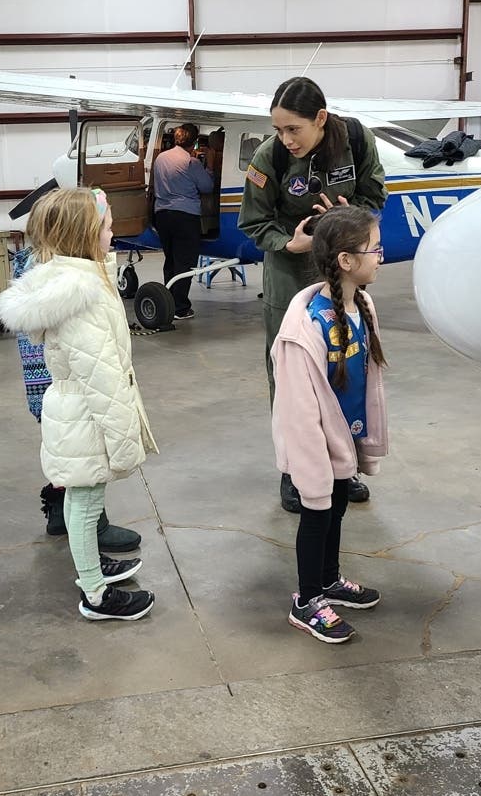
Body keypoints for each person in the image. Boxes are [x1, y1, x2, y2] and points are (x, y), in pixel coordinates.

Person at [0, 188, 159, 621]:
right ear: (84, 235)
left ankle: (90, 567)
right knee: (86, 504)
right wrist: (125, 442)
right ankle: (96, 595)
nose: (113, 232)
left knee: (81, 499)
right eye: (106, 227)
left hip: (75, 412)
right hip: (88, 414)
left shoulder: (76, 282)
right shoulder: (81, 299)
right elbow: (102, 378)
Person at [238, 77, 387, 512]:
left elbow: (374, 191)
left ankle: (343, 466)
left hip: (341, 266)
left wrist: (343, 216)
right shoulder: (269, 158)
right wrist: (293, 243)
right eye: (278, 129)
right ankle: (294, 472)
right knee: (292, 374)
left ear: (321, 119)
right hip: (291, 270)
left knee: (346, 360)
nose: (285, 139)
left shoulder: (356, 140)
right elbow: (253, 222)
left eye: (293, 129)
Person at [270, 206, 389, 643]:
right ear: (345, 261)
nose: (380, 256)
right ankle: (306, 600)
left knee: (337, 510)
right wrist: (311, 470)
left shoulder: (362, 305)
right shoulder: (305, 329)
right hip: (317, 446)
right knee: (317, 515)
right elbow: (299, 413)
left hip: (344, 437)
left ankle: (330, 580)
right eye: (373, 249)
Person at [10, 243, 142, 554]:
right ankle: (92, 565)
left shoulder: (51, 269)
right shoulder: (63, 280)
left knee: (70, 447)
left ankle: (69, 515)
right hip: (67, 384)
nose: (111, 237)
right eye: (105, 226)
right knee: (77, 450)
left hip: (59, 384)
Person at [152, 123, 214, 320]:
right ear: (194, 141)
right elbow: (207, 187)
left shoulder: (161, 158)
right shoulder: (192, 163)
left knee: (170, 259)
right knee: (184, 262)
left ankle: (169, 300)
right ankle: (180, 307)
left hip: (161, 214)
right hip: (185, 215)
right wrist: (210, 166)